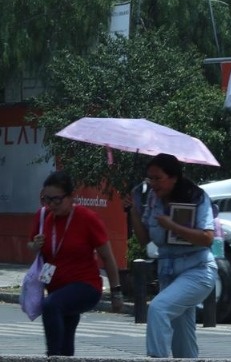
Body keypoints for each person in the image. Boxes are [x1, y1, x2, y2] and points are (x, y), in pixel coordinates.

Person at [127, 153, 216, 358]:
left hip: (198, 271)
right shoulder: (152, 198)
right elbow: (144, 240)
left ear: (174, 177)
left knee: (158, 308)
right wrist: (133, 211)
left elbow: (207, 238)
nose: (153, 183)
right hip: (168, 273)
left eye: (158, 178)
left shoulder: (197, 197)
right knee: (183, 339)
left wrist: (173, 226)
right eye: (150, 178)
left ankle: (156, 358)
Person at [29, 170, 123, 356]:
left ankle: (52, 358)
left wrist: (116, 292)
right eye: (47, 199)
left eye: (57, 199)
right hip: (57, 287)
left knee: (50, 306)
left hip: (85, 286)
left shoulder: (87, 218)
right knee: (65, 339)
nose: (51, 205)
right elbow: (31, 245)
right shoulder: (44, 217)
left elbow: (108, 257)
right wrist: (35, 244)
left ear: (71, 196)